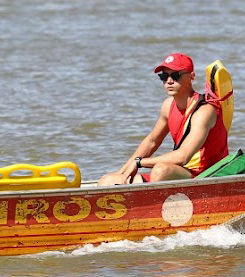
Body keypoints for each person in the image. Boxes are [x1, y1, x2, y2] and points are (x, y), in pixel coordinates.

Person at [97, 53, 229, 186]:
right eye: (164, 76)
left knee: (160, 170)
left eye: (176, 75)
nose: (169, 81)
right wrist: (122, 173)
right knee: (107, 181)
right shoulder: (168, 105)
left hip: (206, 174)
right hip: (182, 172)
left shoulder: (204, 111)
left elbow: (183, 156)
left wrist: (139, 163)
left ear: (191, 77)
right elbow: (152, 141)